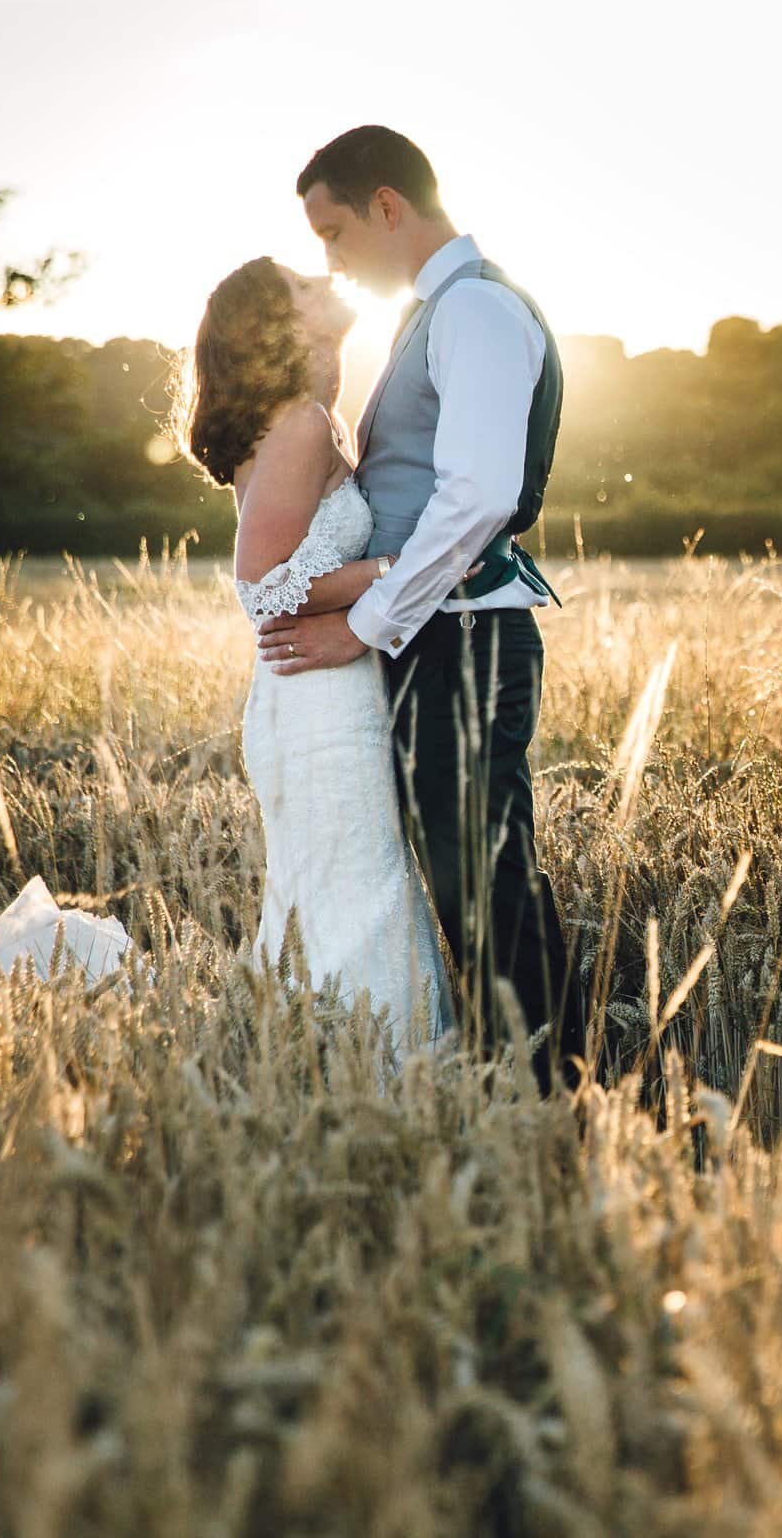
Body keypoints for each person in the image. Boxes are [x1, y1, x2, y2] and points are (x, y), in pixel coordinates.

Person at [255, 125, 572, 1088]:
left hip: (465, 641)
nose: (331, 260)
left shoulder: (473, 311)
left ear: (388, 204)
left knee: (484, 884)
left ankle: (543, 1095)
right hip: (440, 637)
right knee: (467, 878)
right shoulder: (437, 312)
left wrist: (362, 620)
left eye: (335, 232)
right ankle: (517, 1087)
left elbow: (478, 497)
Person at [181, 256, 451, 1054]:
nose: (326, 280)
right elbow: (262, 589)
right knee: (358, 890)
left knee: (347, 888)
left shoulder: (310, 416)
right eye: (304, 282)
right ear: (282, 324)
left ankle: (321, 1060)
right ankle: (375, 1069)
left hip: (325, 681)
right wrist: (399, 572)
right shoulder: (298, 423)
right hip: (318, 694)